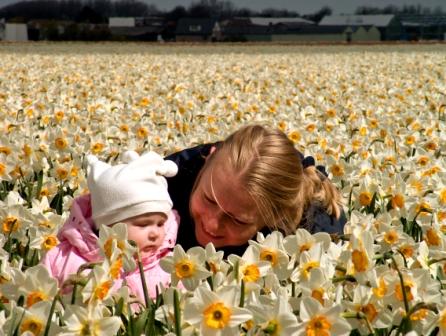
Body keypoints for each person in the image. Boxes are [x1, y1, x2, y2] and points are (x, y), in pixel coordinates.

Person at [166, 124, 346, 256]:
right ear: (207, 159)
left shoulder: (312, 243)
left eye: (237, 220)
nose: (212, 224)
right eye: (209, 199)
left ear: (276, 218)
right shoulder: (164, 180)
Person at [42, 150, 179, 300]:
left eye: (160, 224)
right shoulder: (62, 259)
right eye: (143, 224)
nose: (155, 233)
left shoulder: (169, 266)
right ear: (108, 227)